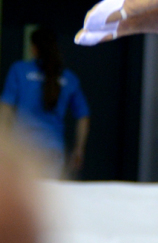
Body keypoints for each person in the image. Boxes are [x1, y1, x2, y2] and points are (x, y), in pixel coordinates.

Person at [0, 27, 91, 179]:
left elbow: (5, 110)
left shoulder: (19, 70)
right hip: (52, 151)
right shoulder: (68, 78)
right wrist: (79, 149)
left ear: (34, 48)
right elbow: (83, 116)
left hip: (22, 149)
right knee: (47, 199)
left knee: (22, 200)